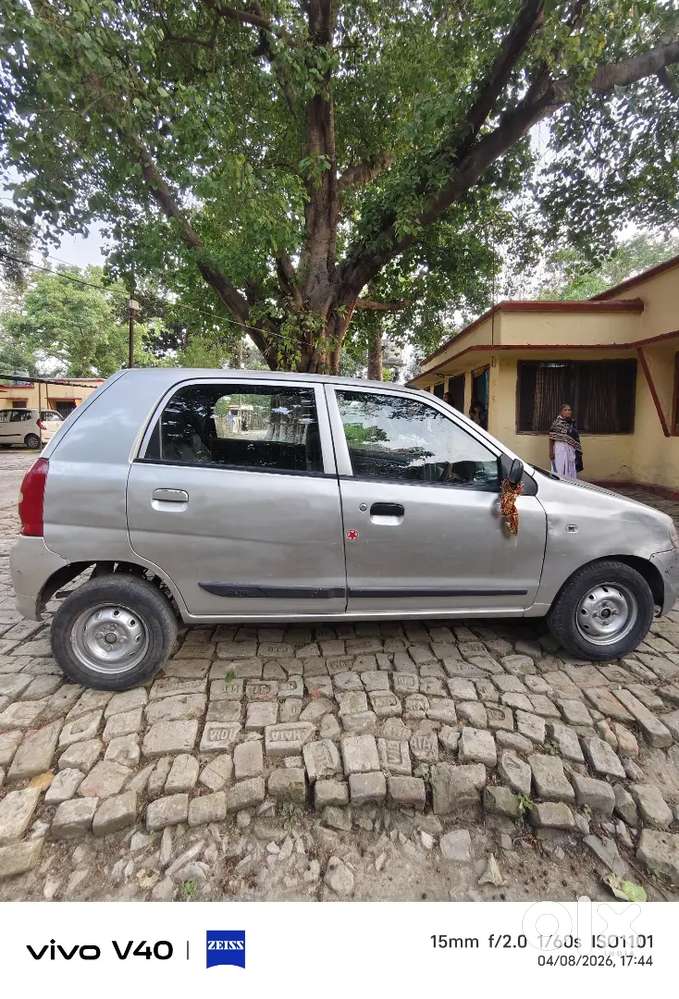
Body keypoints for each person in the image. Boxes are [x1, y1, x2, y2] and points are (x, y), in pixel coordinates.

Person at [549, 403, 583, 479]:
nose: (568, 411)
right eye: (565, 410)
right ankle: (560, 484)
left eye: (569, 410)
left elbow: (575, 438)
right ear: (561, 412)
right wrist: (551, 452)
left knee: (571, 468)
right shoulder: (556, 424)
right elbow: (551, 438)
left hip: (571, 450)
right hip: (559, 449)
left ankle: (570, 484)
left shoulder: (572, 423)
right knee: (560, 468)